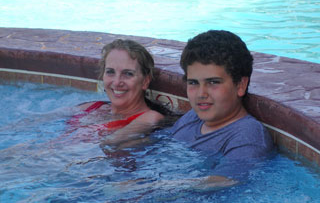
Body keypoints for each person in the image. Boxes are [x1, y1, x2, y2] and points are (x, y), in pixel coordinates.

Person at [169, 30, 273, 160]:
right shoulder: (193, 118)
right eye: (193, 83)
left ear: (241, 85)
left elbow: (222, 180)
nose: (201, 94)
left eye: (213, 82)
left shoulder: (248, 138)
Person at [69, 39, 164, 147]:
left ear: (145, 81)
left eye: (128, 74)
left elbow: (103, 145)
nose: (117, 82)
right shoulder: (91, 107)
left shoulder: (150, 118)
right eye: (110, 72)